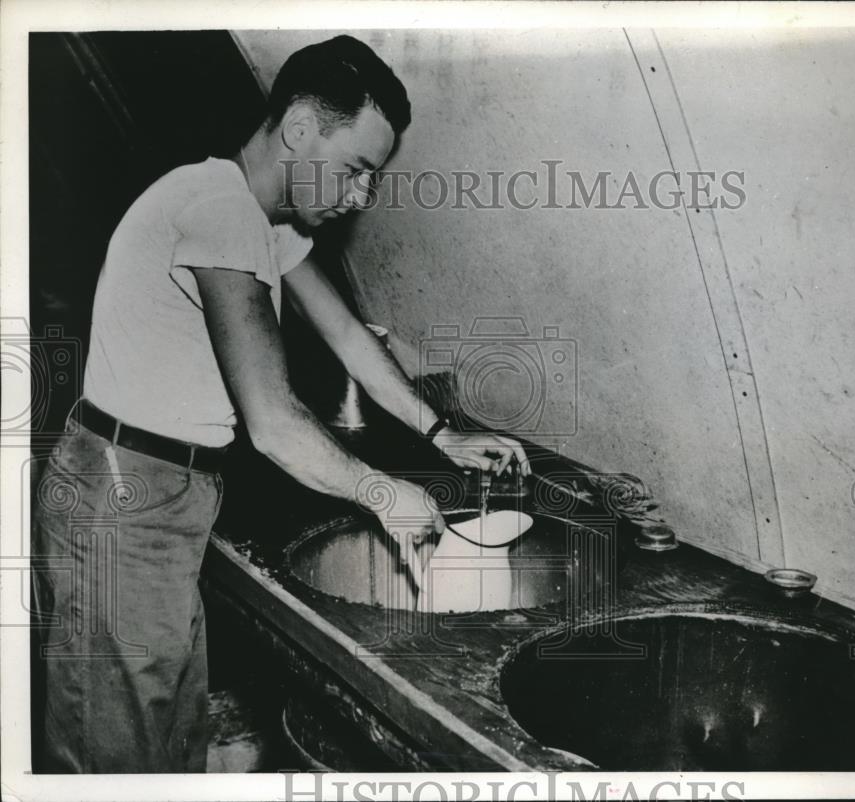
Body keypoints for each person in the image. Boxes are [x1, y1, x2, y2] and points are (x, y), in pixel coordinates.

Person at [32, 34, 530, 773]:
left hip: (169, 495)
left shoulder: (267, 220)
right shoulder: (216, 210)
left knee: (164, 745)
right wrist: (381, 492)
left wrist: (440, 433)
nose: (361, 195)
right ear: (299, 129)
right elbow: (271, 420)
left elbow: (349, 337)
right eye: (357, 170)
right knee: (115, 759)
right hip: (123, 497)